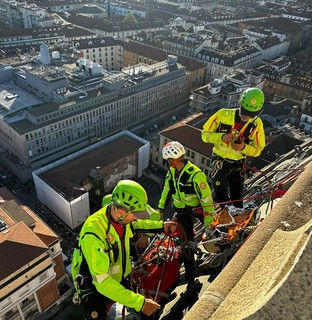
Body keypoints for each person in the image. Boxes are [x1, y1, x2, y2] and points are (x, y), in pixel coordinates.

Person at [74, 180, 177, 319]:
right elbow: (103, 282)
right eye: (135, 214)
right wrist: (140, 303)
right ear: (122, 211)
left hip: (120, 277)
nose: (136, 218)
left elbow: (138, 224)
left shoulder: (119, 218)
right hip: (95, 289)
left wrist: (161, 226)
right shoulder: (93, 234)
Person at [157, 141, 215, 294]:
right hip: (182, 212)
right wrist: (161, 208)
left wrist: (208, 224)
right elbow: (167, 190)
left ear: (173, 159)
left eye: (168, 160)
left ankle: (223, 248)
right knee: (187, 245)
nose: (168, 163)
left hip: (197, 209)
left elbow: (207, 201)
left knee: (215, 230)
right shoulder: (172, 172)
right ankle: (190, 279)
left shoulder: (196, 175)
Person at [201, 87, 266, 208]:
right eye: (245, 112)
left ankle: (238, 219)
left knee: (237, 197)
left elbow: (258, 149)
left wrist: (243, 147)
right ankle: (225, 219)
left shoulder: (256, 124)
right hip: (220, 161)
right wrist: (221, 137)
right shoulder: (222, 115)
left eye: (250, 115)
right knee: (221, 196)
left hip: (238, 164)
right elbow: (205, 135)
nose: (246, 117)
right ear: (240, 104)